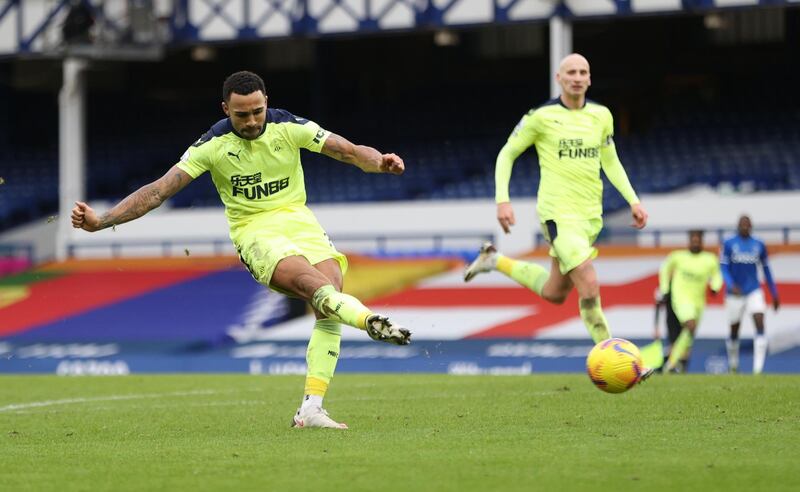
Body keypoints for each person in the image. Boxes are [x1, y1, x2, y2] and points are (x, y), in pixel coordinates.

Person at [71, 71, 411, 429]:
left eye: (257, 112)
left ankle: (311, 408)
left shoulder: (290, 126)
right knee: (315, 287)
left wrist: (380, 162)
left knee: (330, 301)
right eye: (241, 115)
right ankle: (369, 320)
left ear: (266, 102)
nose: (251, 121)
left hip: (300, 221)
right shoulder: (211, 145)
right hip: (255, 231)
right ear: (225, 109)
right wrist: (101, 221)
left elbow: (350, 151)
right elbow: (158, 192)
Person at [463, 53, 650, 375]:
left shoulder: (602, 115)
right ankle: (618, 359)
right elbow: (507, 154)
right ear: (559, 78)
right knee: (588, 283)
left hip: (590, 215)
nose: (577, 77)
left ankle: (495, 260)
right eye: (571, 72)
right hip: (557, 215)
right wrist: (502, 200)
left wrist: (633, 200)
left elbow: (611, 161)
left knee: (555, 292)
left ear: (590, 78)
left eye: (583, 72)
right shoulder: (541, 116)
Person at [721, 215, 779, 374]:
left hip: (754, 290)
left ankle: (757, 370)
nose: (745, 226)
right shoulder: (729, 243)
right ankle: (733, 366)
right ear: (738, 226)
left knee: (760, 321)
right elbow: (723, 268)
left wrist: (774, 292)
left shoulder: (759, 244)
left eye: (747, 224)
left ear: (751, 226)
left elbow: (766, 270)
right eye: (742, 224)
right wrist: (731, 285)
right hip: (734, 293)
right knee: (734, 329)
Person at [658, 230, 723, 373]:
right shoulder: (678, 256)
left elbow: (717, 275)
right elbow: (664, 269)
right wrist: (664, 289)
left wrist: (715, 287)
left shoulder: (710, 259)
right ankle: (671, 363)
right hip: (680, 299)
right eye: (693, 240)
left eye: (698, 240)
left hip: (698, 302)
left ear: (701, 241)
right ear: (689, 241)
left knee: (688, 336)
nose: (695, 242)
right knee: (690, 325)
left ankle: (675, 364)